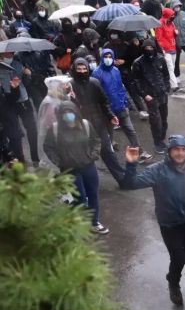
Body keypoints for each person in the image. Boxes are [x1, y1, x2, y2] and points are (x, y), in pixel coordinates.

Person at [121, 135, 185, 304]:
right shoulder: (158, 170)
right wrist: (131, 163)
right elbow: (130, 183)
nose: (180, 153)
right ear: (169, 152)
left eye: (183, 150)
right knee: (178, 258)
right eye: (176, 149)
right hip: (170, 224)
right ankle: (174, 284)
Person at [43, 101, 107, 234]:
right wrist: (59, 162)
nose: (67, 115)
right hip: (70, 169)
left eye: (70, 112)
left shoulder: (85, 125)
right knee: (81, 198)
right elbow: (48, 147)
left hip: (88, 166)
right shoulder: (55, 129)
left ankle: (94, 222)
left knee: (93, 195)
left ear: (75, 112)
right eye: (64, 113)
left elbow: (96, 140)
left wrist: (94, 155)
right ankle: (78, 220)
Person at [68, 57, 126, 182]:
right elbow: (68, 109)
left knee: (107, 152)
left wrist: (111, 116)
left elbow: (104, 101)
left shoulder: (94, 82)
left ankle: (122, 178)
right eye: (79, 69)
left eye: (84, 68)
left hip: (98, 123)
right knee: (86, 155)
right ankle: (88, 183)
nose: (82, 71)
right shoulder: (70, 86)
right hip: (81, 126)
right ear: (74, 69)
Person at [92, 48, 151, 163]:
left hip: (120, 107)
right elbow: (97, 94)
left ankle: (140, 152)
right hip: (108, 111)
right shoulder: (96, 73)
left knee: (130, 130)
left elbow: (121, 88)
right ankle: (109, 156)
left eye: (110, 57)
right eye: (106, 57)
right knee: (109, 135)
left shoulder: (115, 70)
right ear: (102, 58)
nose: (108, 59)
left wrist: (125, 103)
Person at [131, 39, 171, 153]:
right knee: (155, 121)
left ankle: (162, 138)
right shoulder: (138, 63)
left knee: (164, 119)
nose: (149, 50)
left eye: (151, 48)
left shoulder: (160, 59)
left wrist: (166, 87)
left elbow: (166, 75)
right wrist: (144, 95)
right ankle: (157, 142)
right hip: (150, 96)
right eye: (146, 49)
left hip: (162, 94)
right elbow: (136, 81)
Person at [155, 7, 179, 89]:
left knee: (172, 67)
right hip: (166, 50)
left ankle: (167, 82)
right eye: (171, 15)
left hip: (173, 47)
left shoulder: (171, 23)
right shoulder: (160, 24)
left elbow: (174, 32)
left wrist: (176, 33)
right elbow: (159, 38)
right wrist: (162, 49)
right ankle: (174, 85)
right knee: (170, 67)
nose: (173, 16)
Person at [171, 0, 185, 79]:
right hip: (176, 42)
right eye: (175, 6)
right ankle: (177, 75)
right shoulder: (171, 16)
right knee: (176, 60)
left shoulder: (184, 14)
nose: (177, 8)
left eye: (178, 6)